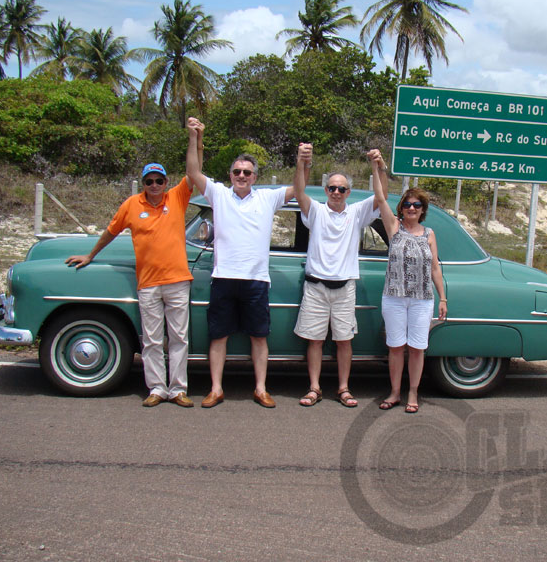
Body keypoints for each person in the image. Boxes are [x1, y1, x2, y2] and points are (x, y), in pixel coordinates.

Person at [65, 127, 201, 408]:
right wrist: (91, 255)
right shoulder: (131, 205)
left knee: (178, 338)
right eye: (149, 181)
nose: (154, 185)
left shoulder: (177, 197)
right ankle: (156, 389)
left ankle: (178, 389)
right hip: (148, 283)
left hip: (177, 280)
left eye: (159, 180)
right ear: (143, 183)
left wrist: (194, 138)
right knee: (151, 340)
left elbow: (194, 169)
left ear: (166, 181)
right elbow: (110, 232)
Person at [185, 119, 310, 409]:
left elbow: (298, 189)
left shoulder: (267, 198)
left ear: (254, 177)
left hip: (256, 280)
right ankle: (216, 388)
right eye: (237, 171)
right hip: (224, 277)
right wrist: (194, 138)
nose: (242, 175)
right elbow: (193, 172)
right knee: (218, 336)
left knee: (259, 336)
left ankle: (261, 388)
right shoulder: (218, 194)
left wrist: (303, 162)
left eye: (247, 172)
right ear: (230, 175)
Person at [292, 145, 388, 407]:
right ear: (325, 191)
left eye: (342, 189)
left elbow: (382, 197)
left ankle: (344, 388)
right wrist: (301, 163)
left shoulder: (356, 213)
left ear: (349, 192)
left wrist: (378, 167)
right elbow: (299, 192)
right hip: (316, 286)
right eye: (332, 188)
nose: (336, 192)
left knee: (344, 340)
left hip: (345, 287)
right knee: (315, 340)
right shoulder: (316, 211)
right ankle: (314, 388)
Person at [368, 149, 447, 413]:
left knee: (416, 348)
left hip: (422, 300)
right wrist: (377, 166)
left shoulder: (430, 234)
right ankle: (394, 392)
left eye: (417, 205)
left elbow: (435, 268)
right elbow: (380, 197)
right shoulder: (394, 227)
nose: (411, 209)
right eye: (407, 204)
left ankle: (413, 393)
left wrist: (443, 298)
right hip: (394, 296)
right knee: (395, 346)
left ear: (422, 210)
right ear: (401, 208)